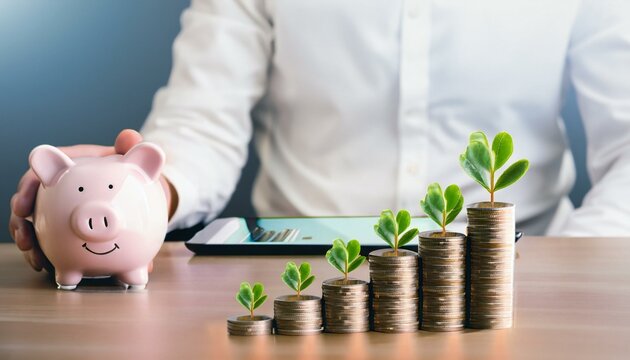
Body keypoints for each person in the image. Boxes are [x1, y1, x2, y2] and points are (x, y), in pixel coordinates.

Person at [9, 0, 630, 271]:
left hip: (517, 272)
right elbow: (202, 122)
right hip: (298, 277)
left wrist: (555, 270)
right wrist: (137, 191)